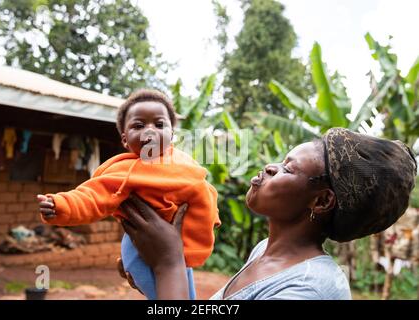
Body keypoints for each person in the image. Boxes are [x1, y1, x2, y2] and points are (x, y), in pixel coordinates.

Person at [117, 127, 417, 300]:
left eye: (288, 169)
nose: (271, 167)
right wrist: (157, 277)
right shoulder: (264, 252)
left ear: (322, 201)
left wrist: (169, 265)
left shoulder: (308, 288)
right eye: (280, 161)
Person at [37, 89, 220, 300]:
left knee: (189, 296)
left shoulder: (185, 164)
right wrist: (60, 204)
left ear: (172, 135)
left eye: (159, 125)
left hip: (178, 249)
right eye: (139, 125)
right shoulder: (125, 170)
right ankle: (129, 265)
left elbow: (205, 191)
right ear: (125, 139)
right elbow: (91, 196)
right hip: (139, 246)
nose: (149, 131)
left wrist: (211, 219)